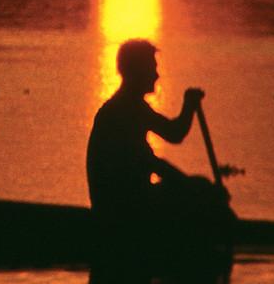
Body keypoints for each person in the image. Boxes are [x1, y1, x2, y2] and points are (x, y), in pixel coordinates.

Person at [86, 37, 207, 225]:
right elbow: (153, 163)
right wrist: (192, 187)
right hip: (120, 208)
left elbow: (173, 133)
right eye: (152, 68)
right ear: (137, 71)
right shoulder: (122, 110)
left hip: (129, 202)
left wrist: (189, 106)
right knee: (197, 192)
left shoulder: (133, 106)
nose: (156, 75)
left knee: (198, 187)